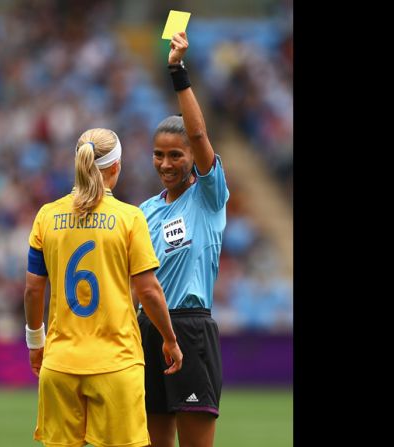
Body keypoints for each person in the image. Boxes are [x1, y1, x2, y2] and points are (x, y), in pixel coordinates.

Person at [24, 127, 184, 447]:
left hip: (60, 363)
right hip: (116, 363)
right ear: (116, 167)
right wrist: (170, 339)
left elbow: (32, 289)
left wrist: (35, 341)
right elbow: (149, 290)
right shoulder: (129, 218)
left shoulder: (47, 216)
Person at [136, 31, 229, 447]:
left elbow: (199, 135)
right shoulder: (144, 211)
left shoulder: (208, 197)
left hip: (190, 329)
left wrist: (177, 71)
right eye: (159, 154)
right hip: (147, 328)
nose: (166, 163)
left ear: (193, 157)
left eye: (176, 154)